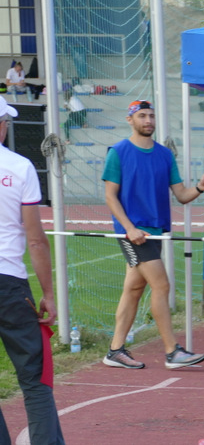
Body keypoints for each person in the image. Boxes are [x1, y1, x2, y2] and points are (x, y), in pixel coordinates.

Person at [101, 100, 204, 370]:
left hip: (156, 232)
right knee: (161, 286)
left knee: (134, 289)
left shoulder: (164, 155)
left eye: (151, 115)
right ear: (130, 120)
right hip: (132, 233)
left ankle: (115, 350)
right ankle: (172, 351)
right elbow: (110, 196)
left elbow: (182, 195)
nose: (148, 120)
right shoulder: (118, 152)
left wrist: (199, 187)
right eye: (142, 116)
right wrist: (129, 228)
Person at [0, 97, 65, 444]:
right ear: (1, 125)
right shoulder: (20, 167)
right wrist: (48, 294)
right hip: (9, 282)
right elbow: (36, 240)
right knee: (34, 379)